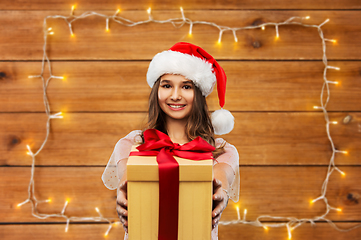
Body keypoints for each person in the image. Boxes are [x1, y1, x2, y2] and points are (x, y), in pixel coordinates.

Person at [102, 42, 240, 240]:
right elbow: (126, 174)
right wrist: (125, 188)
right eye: (167, 85)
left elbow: (221, 177)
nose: (175, 96)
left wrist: (222, 193)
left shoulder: (222, 150)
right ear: (156, 91)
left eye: (186, 87)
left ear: (199, 95)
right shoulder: (132, 143)